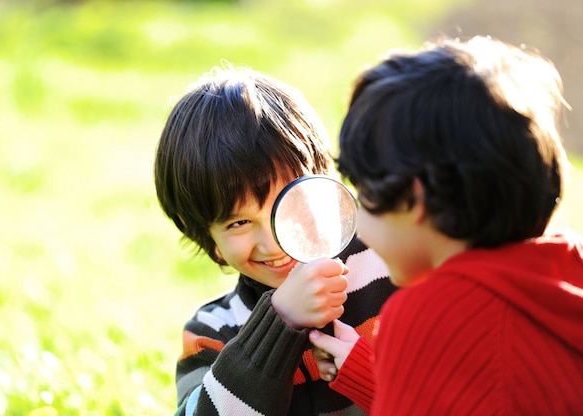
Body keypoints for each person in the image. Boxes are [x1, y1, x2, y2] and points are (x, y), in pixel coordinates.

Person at [308, 35, 583, 415]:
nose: (360, 228)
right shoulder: (569, 268)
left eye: (365, 198)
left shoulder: (425, 316)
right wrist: (371, 372)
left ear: (414, 199)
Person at [154, 66, 396, 415]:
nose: (275, 242)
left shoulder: (389, 265)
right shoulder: (214, 332)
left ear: (324, 185)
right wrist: (280, 322)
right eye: (239, 222)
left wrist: (365, 371)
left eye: (291, 203)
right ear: (212, 243)